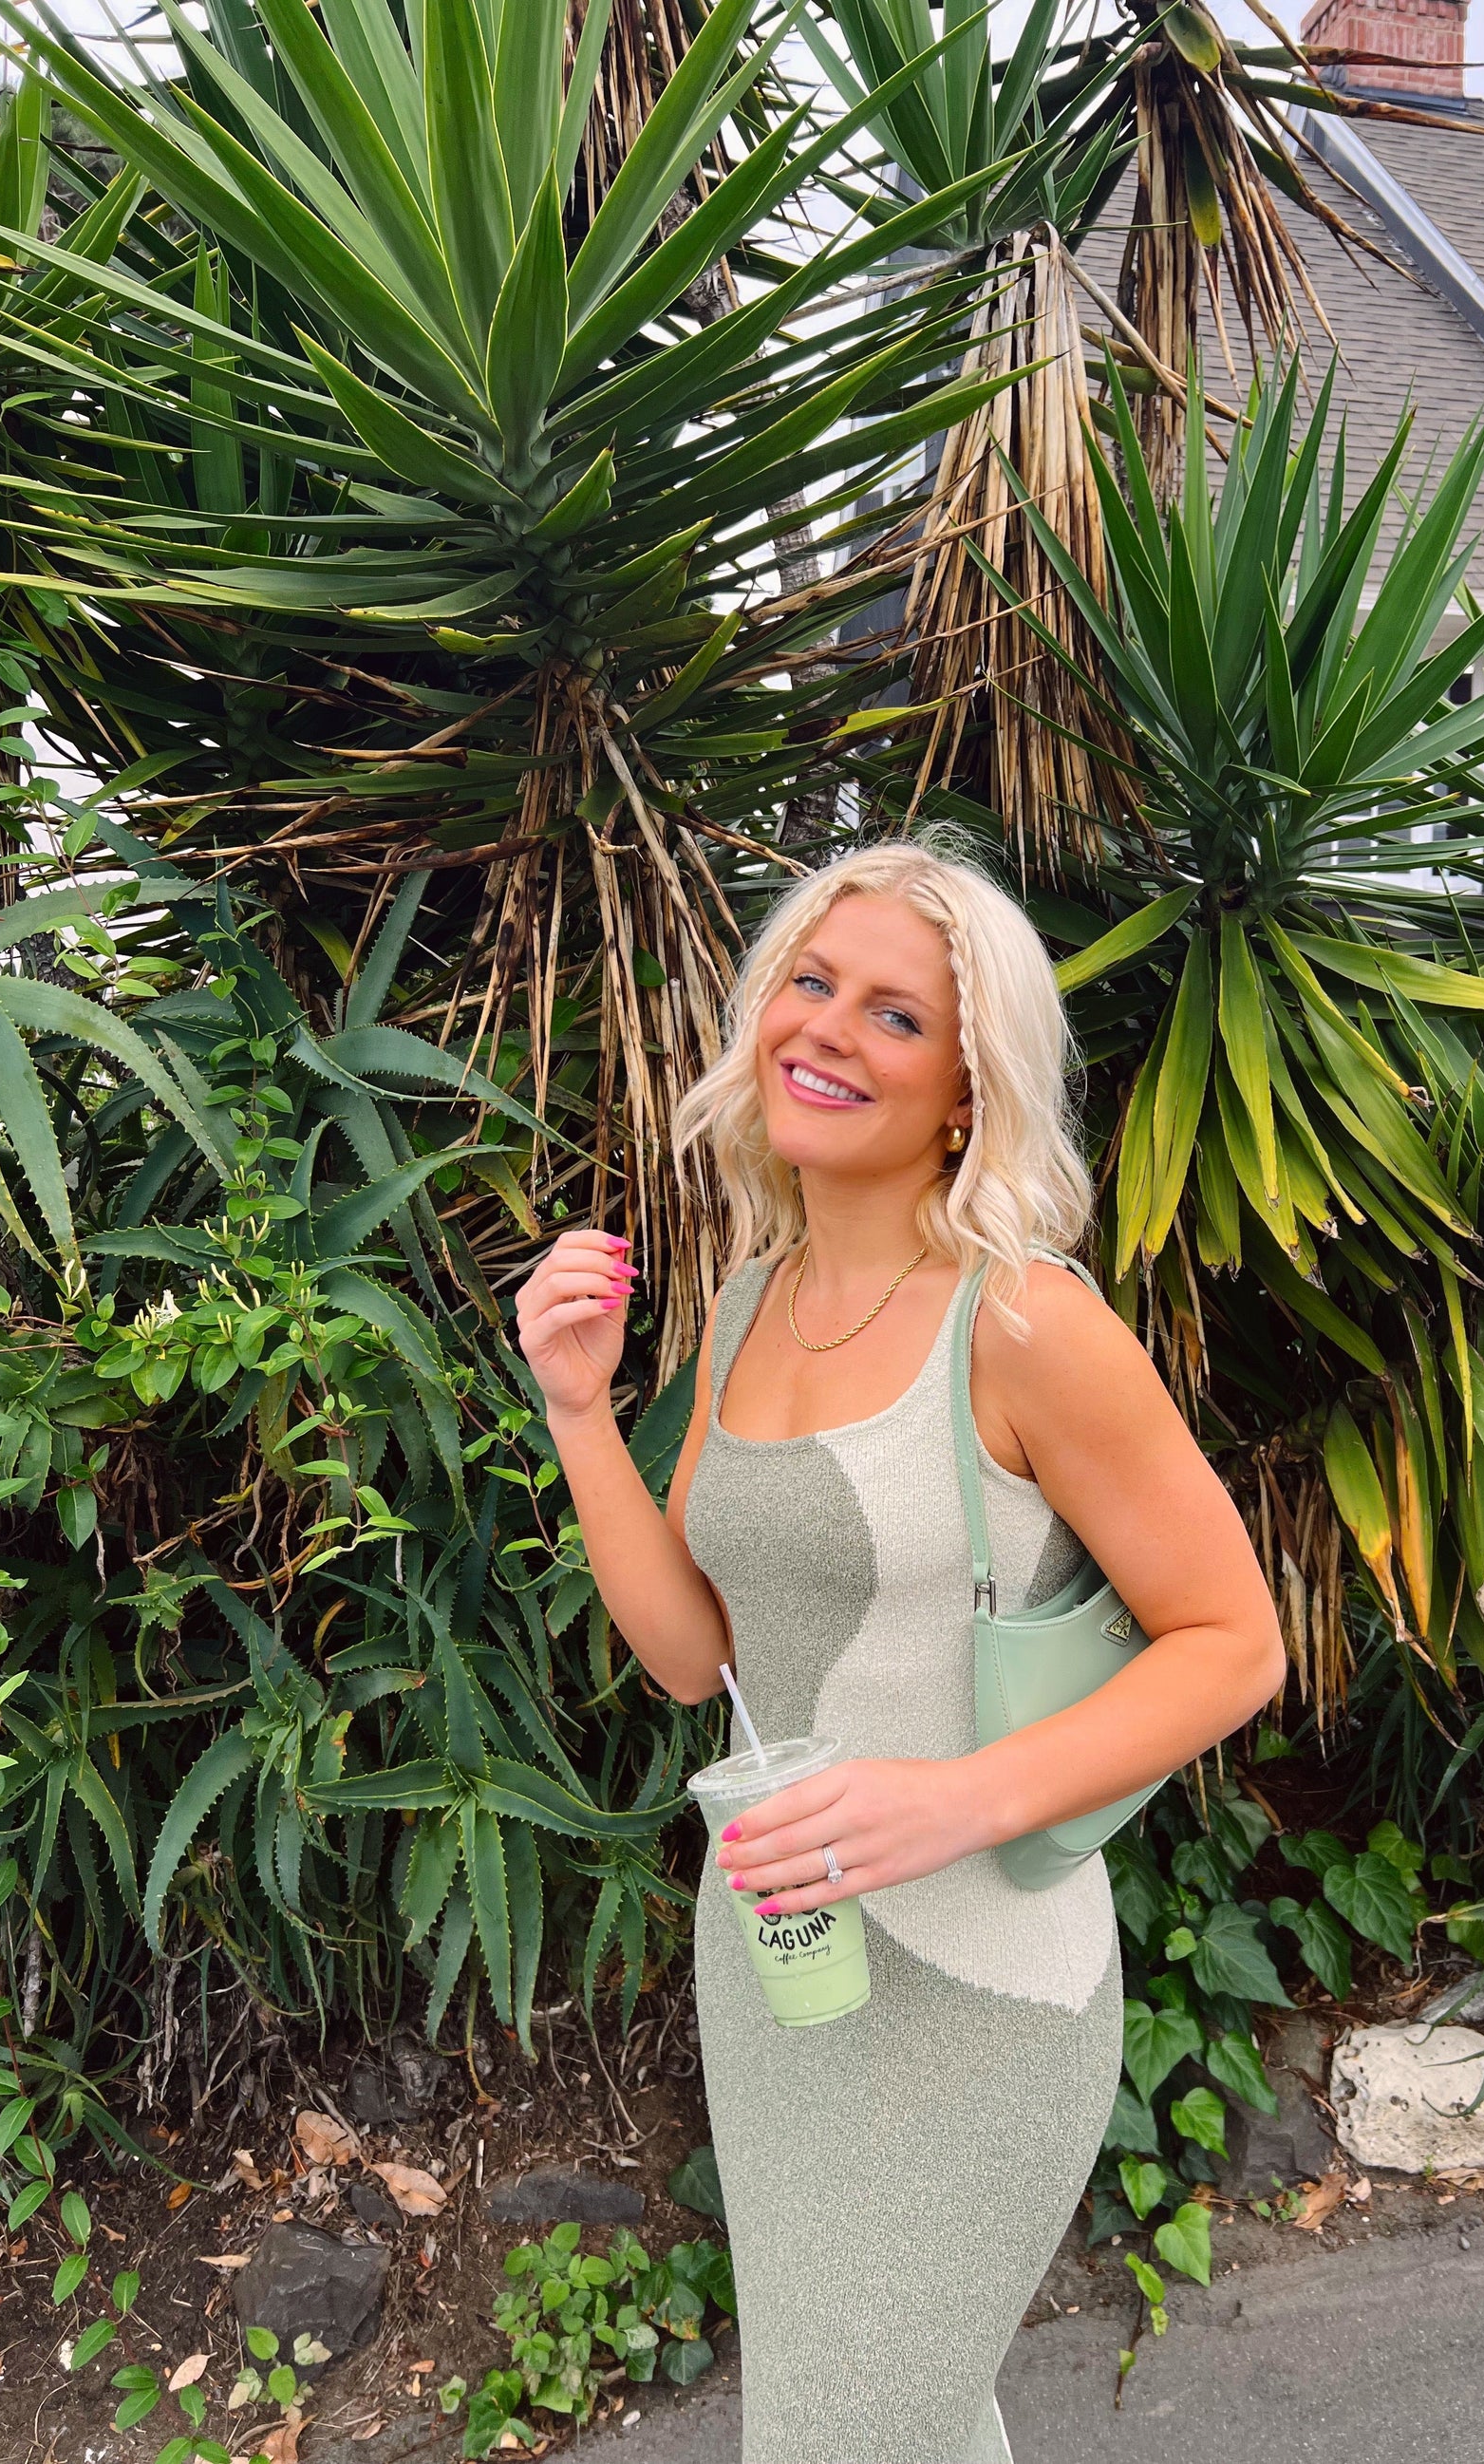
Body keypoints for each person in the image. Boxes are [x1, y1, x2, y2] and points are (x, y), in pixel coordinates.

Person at [515, 840, 1286, 2464]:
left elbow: (1232, 1644)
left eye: (895, 1014)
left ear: (965, 1089)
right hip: (782, 1970)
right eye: (809, 982)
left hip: (982, 1993)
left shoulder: (1024, 1321)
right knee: (887, 2427)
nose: (827, 1028)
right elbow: (694, 1661)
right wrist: (579, 1410)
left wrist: (951, 1800)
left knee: (849, 2435)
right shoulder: (747, 1303)